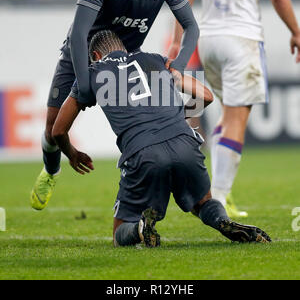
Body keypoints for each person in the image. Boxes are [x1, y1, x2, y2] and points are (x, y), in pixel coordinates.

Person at [30, 0, 200, 210]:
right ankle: (51, 170)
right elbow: (80, 33)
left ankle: (155, 184)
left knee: (149, 121)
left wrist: (177, 68)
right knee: (52, 131)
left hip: (127, 60)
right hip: (80, 55)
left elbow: (192, 28)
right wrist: (85, 86)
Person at [51, 30, 271, 247]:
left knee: (120, 232)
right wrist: (176, 113)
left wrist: (72, 153)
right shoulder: (155, 59)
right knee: (204, 202)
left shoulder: (91, 73)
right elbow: (206, 96)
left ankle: (139, 228)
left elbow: (58, 130)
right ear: (123, 49)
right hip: (185, 142)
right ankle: (222, 221)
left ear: (96, 56)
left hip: (143, 152)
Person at [168, 0, 300, 218]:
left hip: (209, 39)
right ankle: (219, 199)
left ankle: (218, 193)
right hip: (241, 38)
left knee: (228, 118)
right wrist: (296, 31)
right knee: (237, 120)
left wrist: (177, 39)